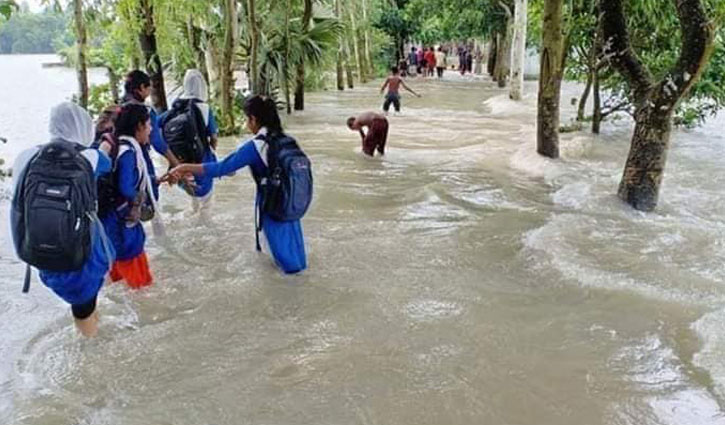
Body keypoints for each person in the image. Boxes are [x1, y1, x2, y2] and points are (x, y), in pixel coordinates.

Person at [161, 96, 307, 274]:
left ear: (253, 119)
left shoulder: (257, 145)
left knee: (278, 262)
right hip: (292, 204)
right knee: (295, 259)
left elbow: (221, 168)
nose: (247, 123)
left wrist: (184, 167)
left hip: (271, 206)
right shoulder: (287, 141)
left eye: (247, 119)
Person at [11, 102, 115, 337]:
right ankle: (90, 353)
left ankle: (90, 330)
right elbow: (106, 163)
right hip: (80, 254)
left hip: (37, 250)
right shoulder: (89, 157)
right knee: (84, 310)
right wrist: (106, 143)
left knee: (82, 306)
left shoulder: (25, 157)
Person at [101, 103, 157, 289]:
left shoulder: (117, 146)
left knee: (116, 277)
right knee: (141, 286)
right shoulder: (128, 152)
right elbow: (125, 187)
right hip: (123, 226)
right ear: (139, 126)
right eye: (148, 124)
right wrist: (141, 202)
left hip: (110, 223)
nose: (151, 129)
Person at [159, 69, 220, 215]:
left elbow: (155, 126)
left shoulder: (175, 108)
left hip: (179, 163)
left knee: (192, 196)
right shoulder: (205, 109)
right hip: (201, 161)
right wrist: (212, 148)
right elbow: (214, 138)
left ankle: (193, 213)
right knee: (206, 202)